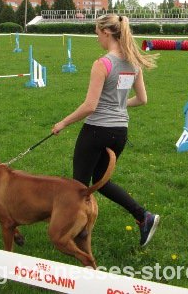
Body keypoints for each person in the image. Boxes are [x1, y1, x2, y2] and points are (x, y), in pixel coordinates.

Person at [52, 14, 160, 246]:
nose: (97, 38)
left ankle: (73, 233)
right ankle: (144, 217)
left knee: (78, 185)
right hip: (119, 132)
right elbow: (142, 99)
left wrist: (63, 123)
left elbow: (90, 106)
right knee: (101, 181)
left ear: (107, 33)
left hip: (96, 131)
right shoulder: (134, 63)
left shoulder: (103, 64)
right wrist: (119, 105)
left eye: (97, 34)